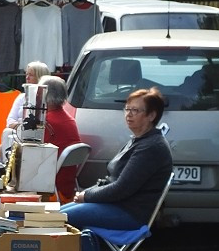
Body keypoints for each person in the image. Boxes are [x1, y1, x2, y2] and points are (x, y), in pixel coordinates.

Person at [62, 87, 173, 230]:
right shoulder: (139, 140)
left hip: (129, 213)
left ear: (151, 116)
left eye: (135, 111)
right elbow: (112, 182)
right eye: (127, 109)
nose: (129, 115)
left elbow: (121, 189)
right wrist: (85, 194)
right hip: (115, 205)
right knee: (55, 214)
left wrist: (87, 195)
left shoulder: (151, 147)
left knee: (58, 218)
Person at [36, 75, 82, 203]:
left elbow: (32, 155)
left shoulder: (47, 122)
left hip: (51, 186)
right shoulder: (68, 119)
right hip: (66, 186)